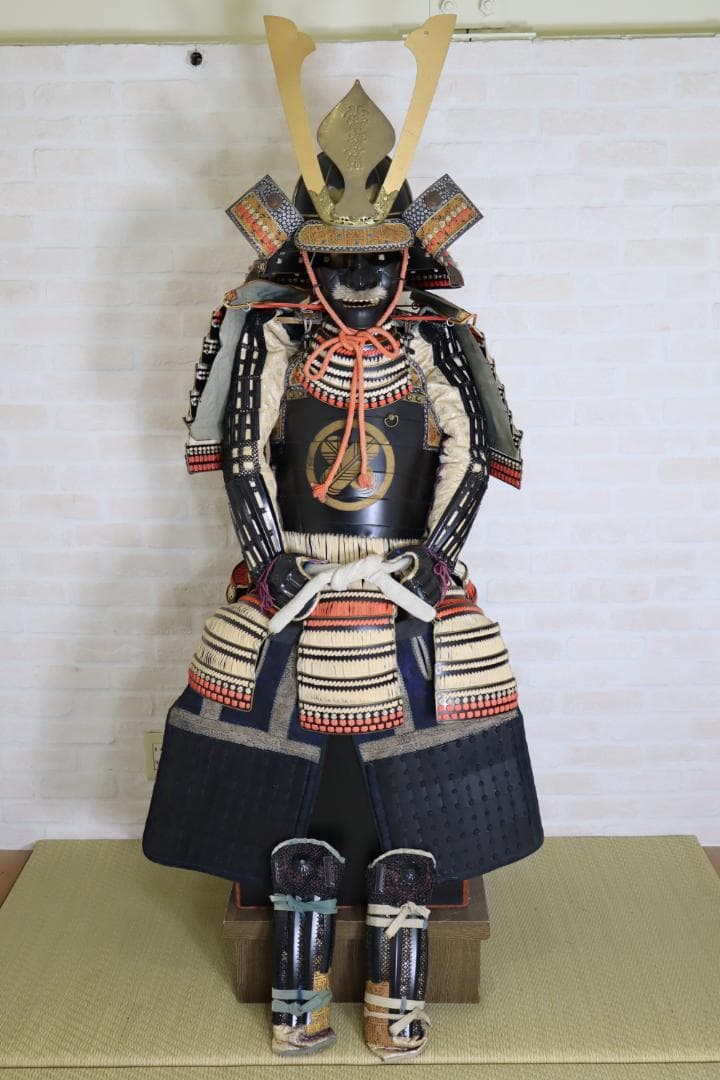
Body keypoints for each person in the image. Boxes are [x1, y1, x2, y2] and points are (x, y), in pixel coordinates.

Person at [143, 14, 543, 1061]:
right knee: (241, 685)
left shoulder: (439, 339)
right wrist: (271, 558)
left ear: (407, 259)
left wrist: (437, 554)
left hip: (409, 572)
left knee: (459, 688)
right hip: (295, 568)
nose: (362, 282)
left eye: (377, 262)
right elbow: (242, 453)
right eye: (341, 262)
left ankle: (406, 936)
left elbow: (474, 450)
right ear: (306, 258)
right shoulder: (269, 334)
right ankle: (293, 944)